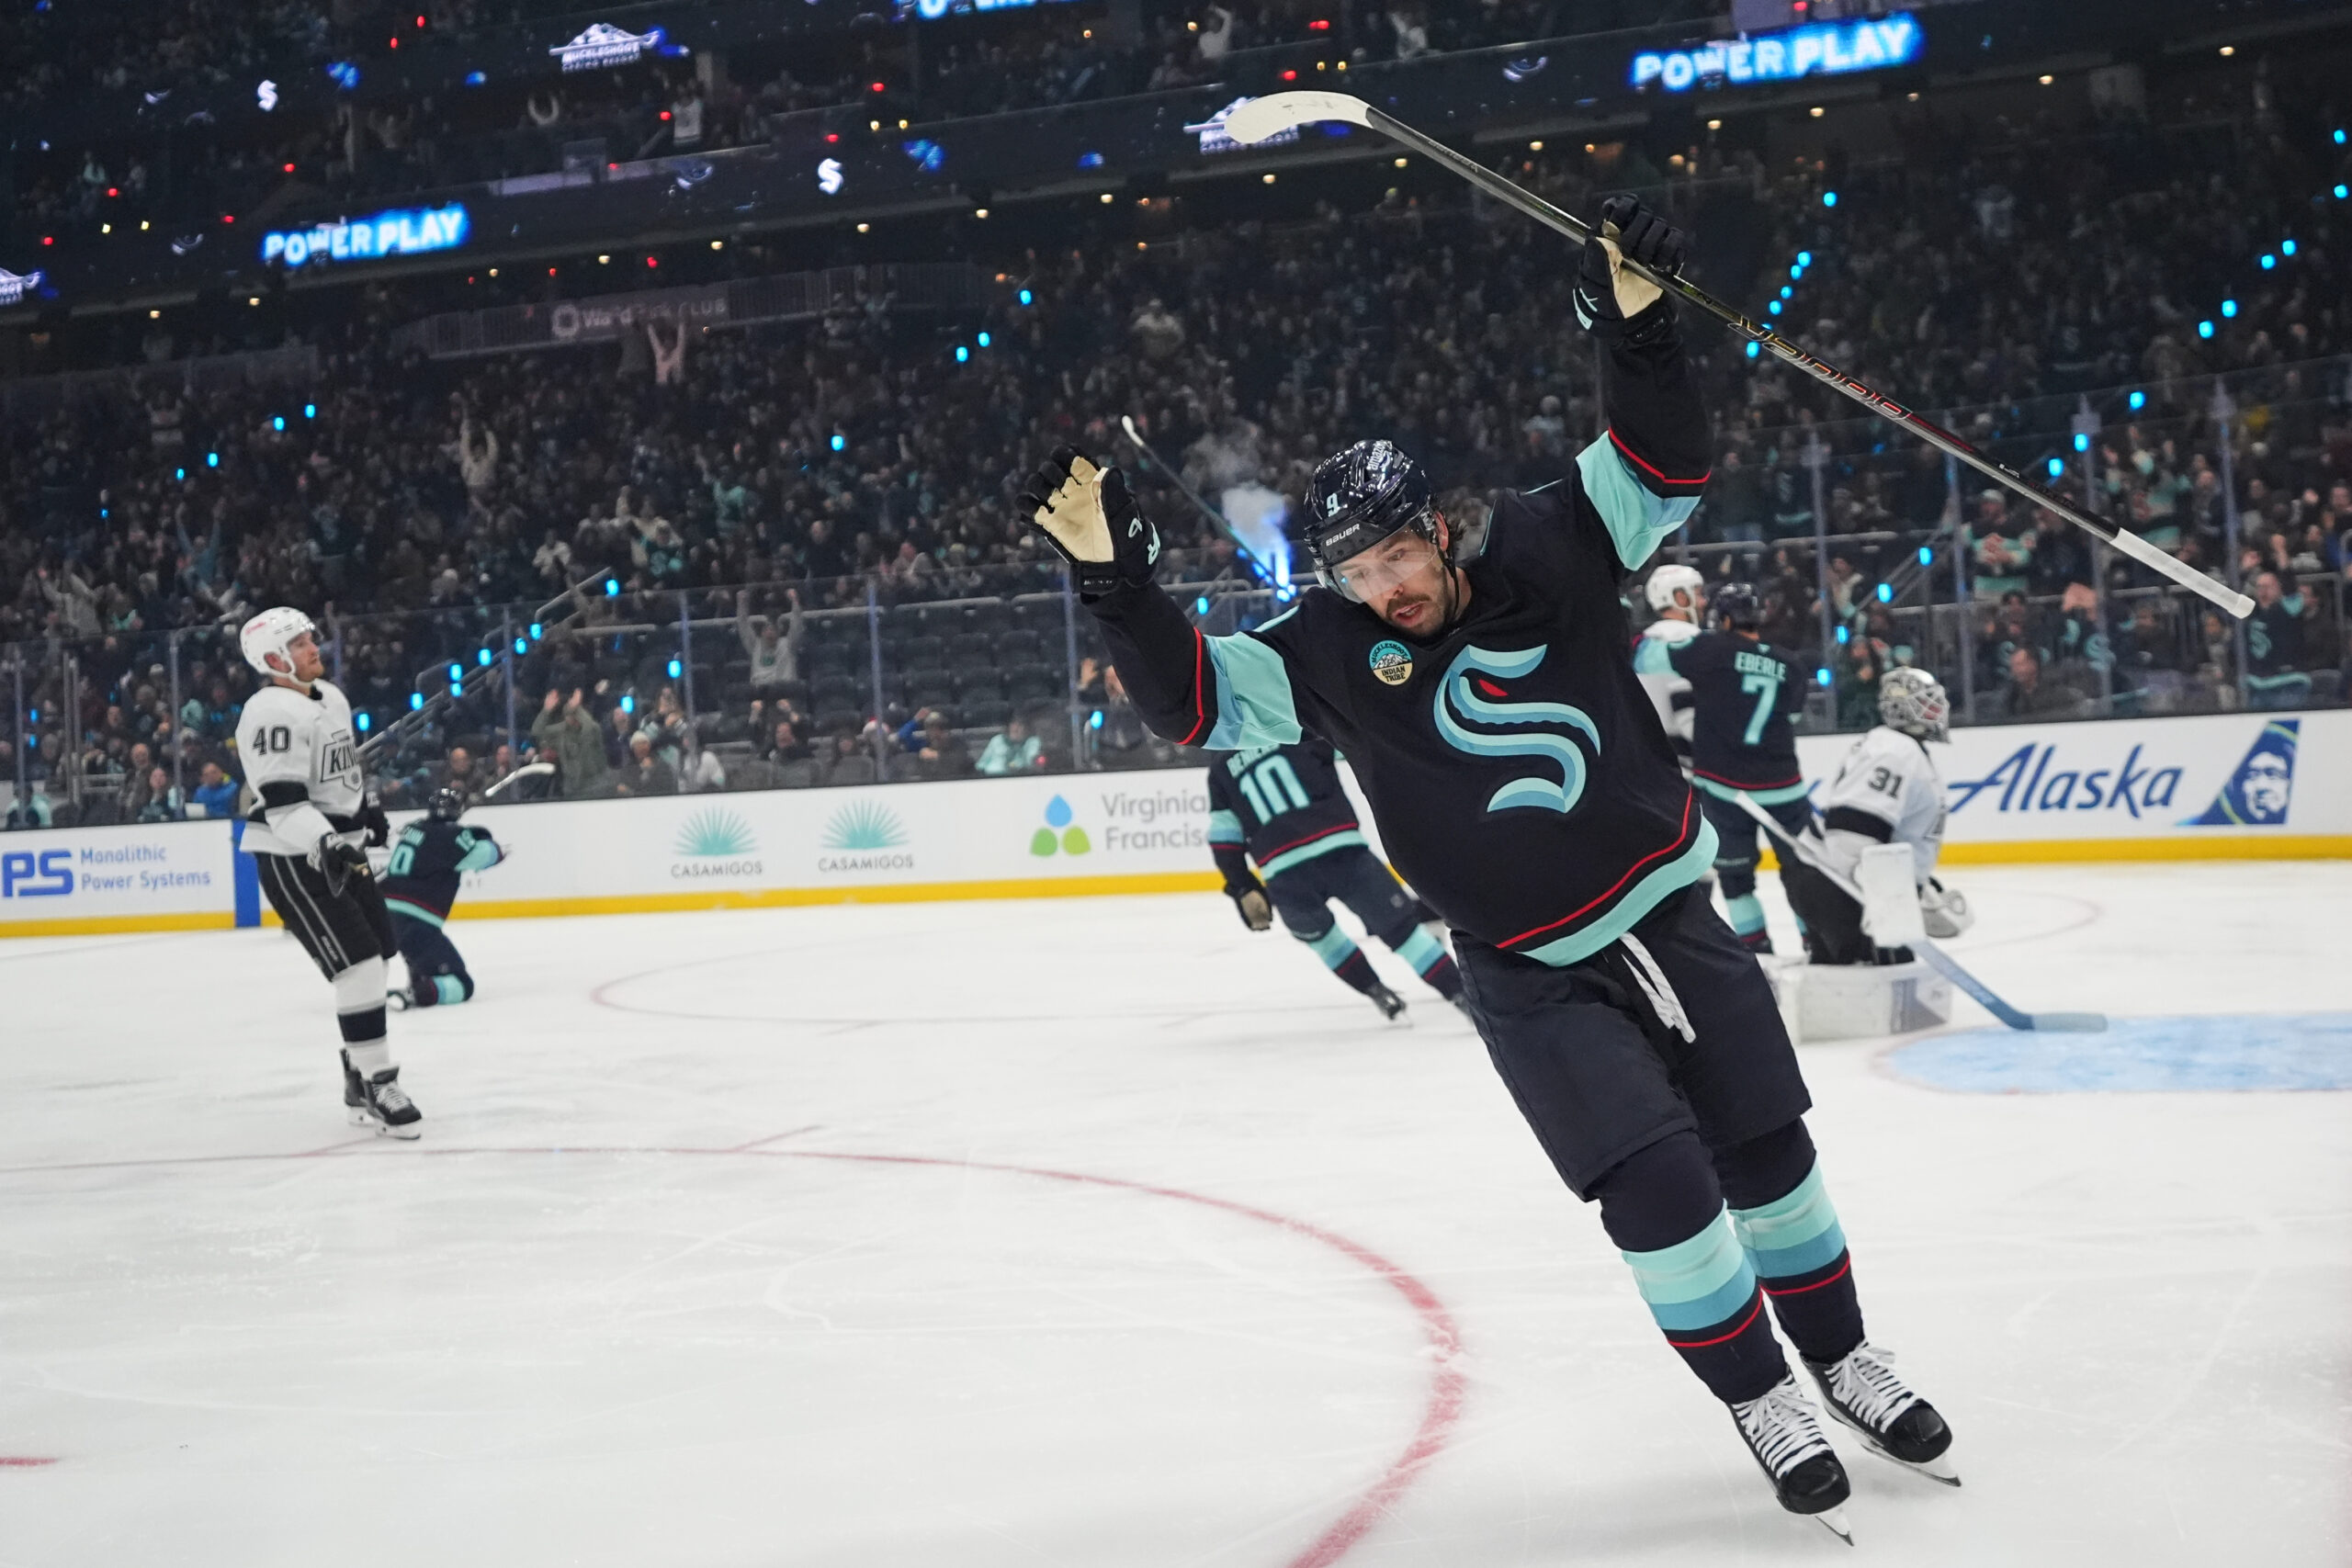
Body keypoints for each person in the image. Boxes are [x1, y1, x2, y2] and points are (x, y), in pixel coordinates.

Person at [1020, 196, 1951, 1537]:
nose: (1380, 587)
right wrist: (1118, 589)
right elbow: (1192, 704)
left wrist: (1638, 331)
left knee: (1768, 1149)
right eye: (1354, 571)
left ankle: (1846, 1356)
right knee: (1659, 1186)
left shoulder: (1542, 538)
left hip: (1671, 909)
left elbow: (1665, 462)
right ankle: (1762, 1393)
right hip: (1527, 974)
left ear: (1438, 531)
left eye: (1396, 555)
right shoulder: (1325, 646)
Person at [232, 607, 420, 1138]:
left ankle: (359, 1075)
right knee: (357, 965)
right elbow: (285, 806)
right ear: (273, 659)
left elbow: (341, 775)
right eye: (299, 643)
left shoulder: (329, 697)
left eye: (310, 638)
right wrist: (327, 843)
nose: (314, 647)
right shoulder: (269, 713)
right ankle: (381, 1082)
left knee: (380, 954)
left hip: (337, 848)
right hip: (295, 857)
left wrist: (367, 814)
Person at [1207, 736, 1467, 1022]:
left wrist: (1242, 886)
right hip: (1342, 852)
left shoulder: (1220, 769)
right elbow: (1351, 742)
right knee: (1403, 933)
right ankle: (1460, 995)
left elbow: (1224, 840)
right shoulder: (1296, 728)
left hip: (1284, 874)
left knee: (1324, 941)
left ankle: (1376, 991)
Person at [1781, 669, 1970, 964]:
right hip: (1837, 888)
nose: (1937, 710)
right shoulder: (1894, 752)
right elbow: (1851, 833)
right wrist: (1884, 902)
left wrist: (1918, 884)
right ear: (1901, 708)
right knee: (1868, 983)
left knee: (1869, 982)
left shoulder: (1900, 748)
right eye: (1926, 703)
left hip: (1835, 883)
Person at [1662, 582, 1809, 953]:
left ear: (1724, 619)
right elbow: (1791, 715)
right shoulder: (1791, 664)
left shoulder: (1709, 650)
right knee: (1802, 872)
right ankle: (1817, 941)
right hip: (1783, 784)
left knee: (1736, 877)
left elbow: (1664, 653)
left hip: (1727, 788)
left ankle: (1758, 950)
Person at [382, 788, 506, 1010]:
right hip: (416, 922)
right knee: (461, 984)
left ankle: (419, 982)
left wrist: (469, 833)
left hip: (384, 914)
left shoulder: (414, 829)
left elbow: (437, 846)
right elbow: (489, 855)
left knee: (425, 963)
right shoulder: (452, 837)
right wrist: (485, 838)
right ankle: (414, 995)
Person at [1630, 562, 1703, 773]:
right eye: (1697, 594)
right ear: (1680, 598)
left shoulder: (1640, 642)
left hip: (1646, 752)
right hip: (1689, 757)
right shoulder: (1696, 641)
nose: (1703, 601)